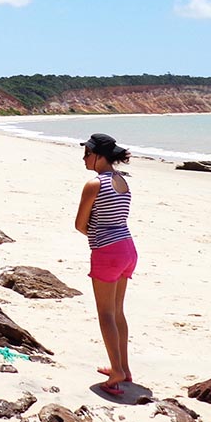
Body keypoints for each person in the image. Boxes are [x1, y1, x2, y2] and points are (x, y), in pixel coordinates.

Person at [74, 133, 137, 397]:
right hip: (128, 248)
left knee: (105, 314)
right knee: (118, 312)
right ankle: (124, 367)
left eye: (87, 153)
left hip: (107, 251)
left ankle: (116, 371)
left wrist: (98, 236)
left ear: (99, 155)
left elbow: (80, 224)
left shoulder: (94, 184)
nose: (84, 157)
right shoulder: (122, 181)